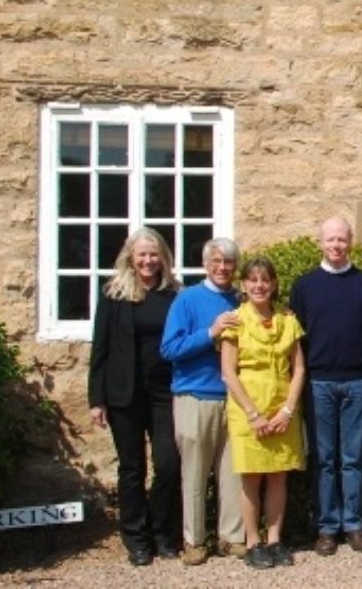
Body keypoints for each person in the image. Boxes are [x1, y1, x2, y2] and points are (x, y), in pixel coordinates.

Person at [289, 217, 362, 556]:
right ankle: (327, 527)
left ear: (351, 241)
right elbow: (296, 338)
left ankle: (354, 524)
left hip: (358, 380)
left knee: (353, 457)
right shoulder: (305, 286)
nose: (336, 246)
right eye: (330, 240)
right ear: (321, 243)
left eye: (341, 240)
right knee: (324, 458)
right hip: (318, 381)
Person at [88, 227, 182, 566]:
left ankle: (163, 533)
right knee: (132, 469)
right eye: (142, 254)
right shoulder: (113, 294)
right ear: (131, 256)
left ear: (163, 258)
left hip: (164, 392)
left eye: (154, 254)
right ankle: (137, 539)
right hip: (123, 394)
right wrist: (96, 399)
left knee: (169, 465)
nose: (148, 260)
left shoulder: (174, 294)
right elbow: (100, 350)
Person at [160, 238, 247, 566]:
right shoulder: (187, 300)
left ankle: (231, 537)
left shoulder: (240, 299)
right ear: (206, 264)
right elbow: (169, 349)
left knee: (232, 473)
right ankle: (194, 541)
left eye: (228, 262)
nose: (223, 268)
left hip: (233, 398)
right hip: (195, 396)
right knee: (194, 473)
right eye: (217, 261)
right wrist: (210, 332)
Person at [220, 258, 306, 569]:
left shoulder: (287, 318)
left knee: (278, 476)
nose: (259, 286)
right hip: (248, 406)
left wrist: (287, 408)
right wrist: (253, 414)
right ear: (243, 284)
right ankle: (253, 541)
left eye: (265, 280)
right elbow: (229, 372)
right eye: (253, 280)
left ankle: (275, 539)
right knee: (251, 477)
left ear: (274, 283)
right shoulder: (235, 321)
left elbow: (298, 367)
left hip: (282, 404)